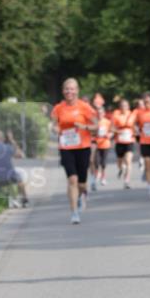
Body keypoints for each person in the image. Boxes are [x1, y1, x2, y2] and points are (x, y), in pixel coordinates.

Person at [50, 78, 98, 224]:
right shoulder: (58, 108)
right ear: (63, 91)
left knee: (81, 184)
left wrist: (85, 127)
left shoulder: (85, 107)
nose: (69, 91)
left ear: (77, 90)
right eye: (66, 89)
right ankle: (74, 213)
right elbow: (53, 126)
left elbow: (96, 126)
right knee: (72, 180)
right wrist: (56, 129)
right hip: (66, 147)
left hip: (83, 147)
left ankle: (82, 194)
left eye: (72, 89)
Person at [0, 130, 28, 205]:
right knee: (21, 180)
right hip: (10, 176)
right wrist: (12, 140)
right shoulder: (8, 148)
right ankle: (24, 199)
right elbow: (20, 156)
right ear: (3, 139)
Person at [112, 98, 135, 188]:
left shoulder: (132, 115)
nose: (123, 107)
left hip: (129, 141)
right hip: (120, 141)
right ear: (119, 107)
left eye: (125, 106)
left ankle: (127, 181)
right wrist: (118, 132)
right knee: (120, 162)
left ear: (128, 106)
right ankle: (121, 169)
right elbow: (111, 128)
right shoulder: (116, 115)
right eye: (122, 106)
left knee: (128, 160)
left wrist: (136, 131)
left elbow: (136, 125)